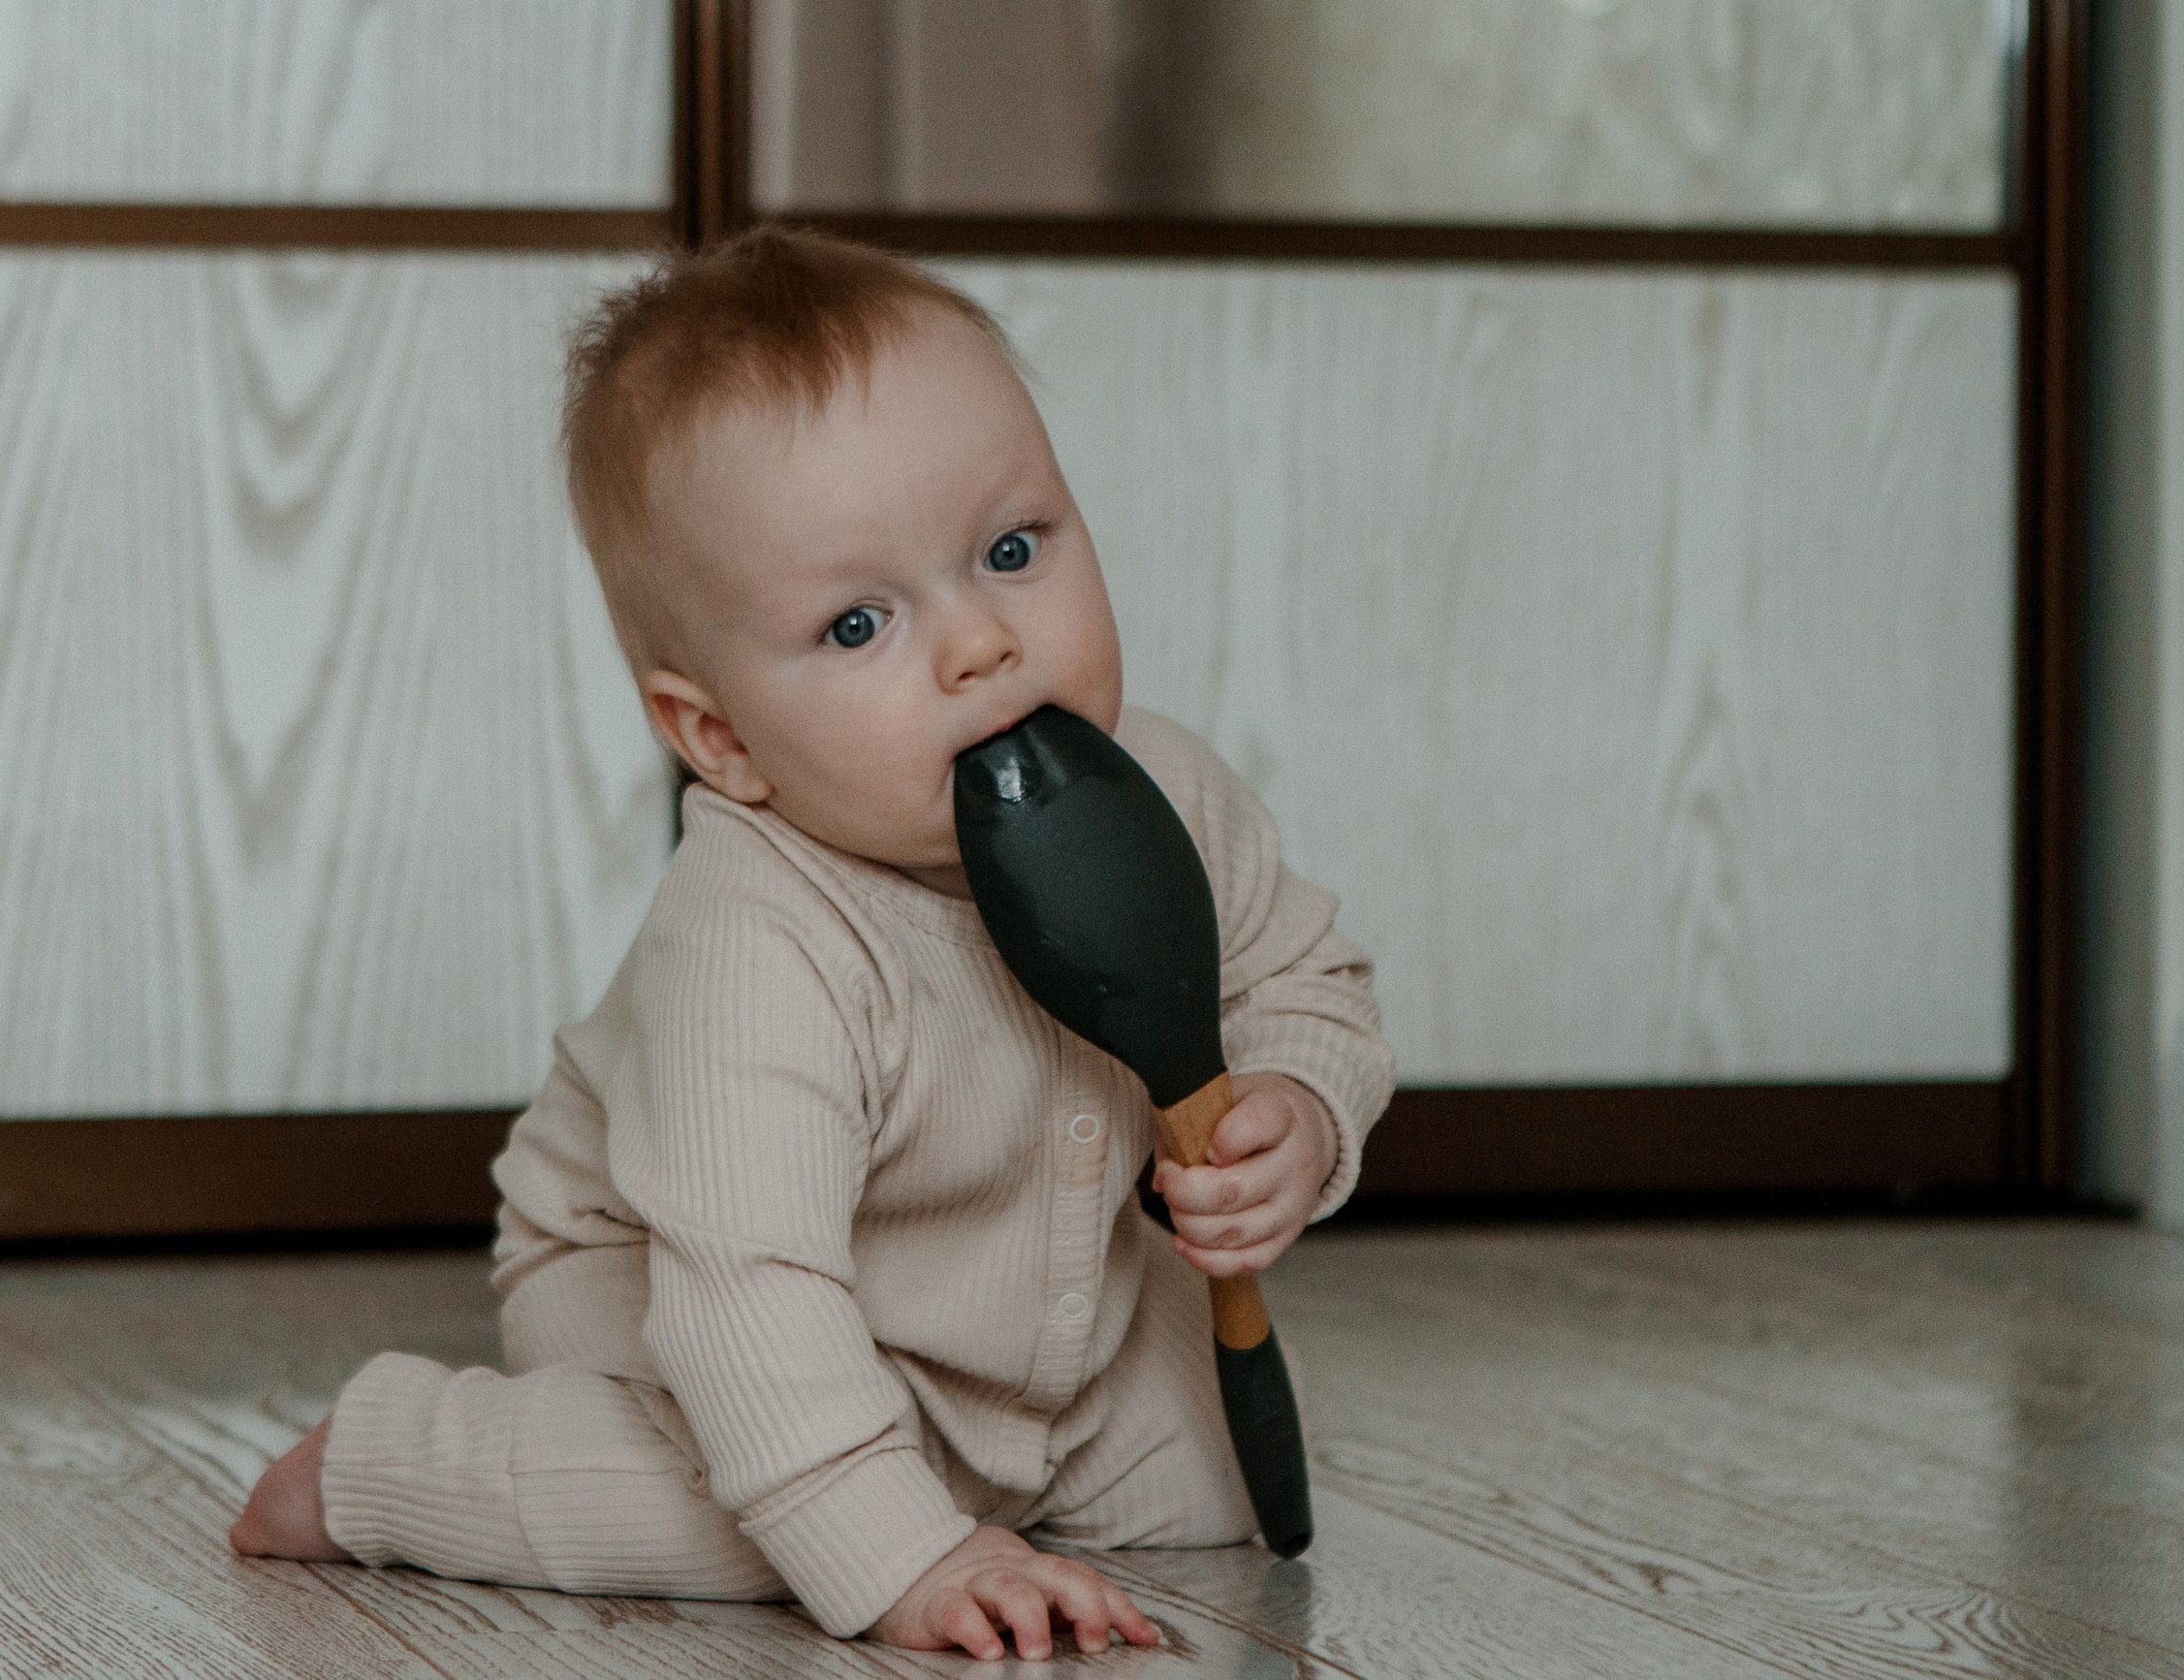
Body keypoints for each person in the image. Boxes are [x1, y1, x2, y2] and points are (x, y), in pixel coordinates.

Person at [230, 228, 1393, 1664]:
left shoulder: (1167, 795)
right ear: (720, 738)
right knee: (745, 1507)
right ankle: (398, 1458)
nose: (979, 643)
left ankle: (951, 1468)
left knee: (1217, 1480)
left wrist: (1297, 1109)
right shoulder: (759, 935)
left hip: (1018, 1306)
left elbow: (1303, 978)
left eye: (1013, 549)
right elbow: (748, 1282)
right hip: (680, 1280)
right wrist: (903, 1554)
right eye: (858, 623)